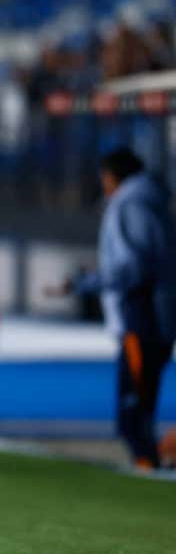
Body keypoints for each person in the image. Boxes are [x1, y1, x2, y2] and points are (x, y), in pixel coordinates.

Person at [64, 148, 176, 471]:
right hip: (151, 318)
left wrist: (87, 283)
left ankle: (150, 472)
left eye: (105, 178)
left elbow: (134, 266)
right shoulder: (151, 203)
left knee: (133, 417)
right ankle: (153, 465)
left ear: (113, 176)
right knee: (139, 410)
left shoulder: (131, 206)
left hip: (142, 319)